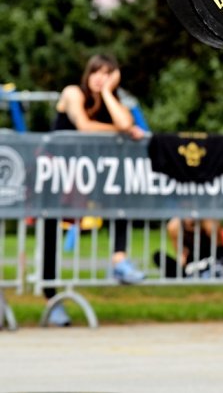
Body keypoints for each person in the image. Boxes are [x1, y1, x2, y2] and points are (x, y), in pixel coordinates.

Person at [46, 54, 146, 326]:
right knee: (48, 234)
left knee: (120, 201)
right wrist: (121, 130)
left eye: (107, 73)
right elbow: (84, 125)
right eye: (96, 72)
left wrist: (109, 94)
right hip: (56, 172)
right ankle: (50, 297)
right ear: (87, 73)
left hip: (88, 175)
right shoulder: (72, 93)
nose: (100, 78)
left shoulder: (110, 100)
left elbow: (126, 123)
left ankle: (119, 261)